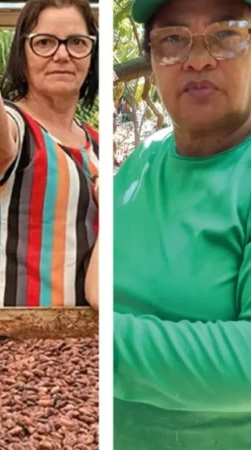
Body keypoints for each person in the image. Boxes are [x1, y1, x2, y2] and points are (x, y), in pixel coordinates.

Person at [113, 0, 251, 448]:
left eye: (226, 35)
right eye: (173, 39)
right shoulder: (143, 159)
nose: (197, 59)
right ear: (152, 58)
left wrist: (95, 341)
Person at [0, 0, 100, 309]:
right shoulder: (16, 123)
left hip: (83, 339)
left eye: (77, 43)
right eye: (44, 42)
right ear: (22, 55)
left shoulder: (96, 142)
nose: (62, 54)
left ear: (92, 55)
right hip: (11, 334)